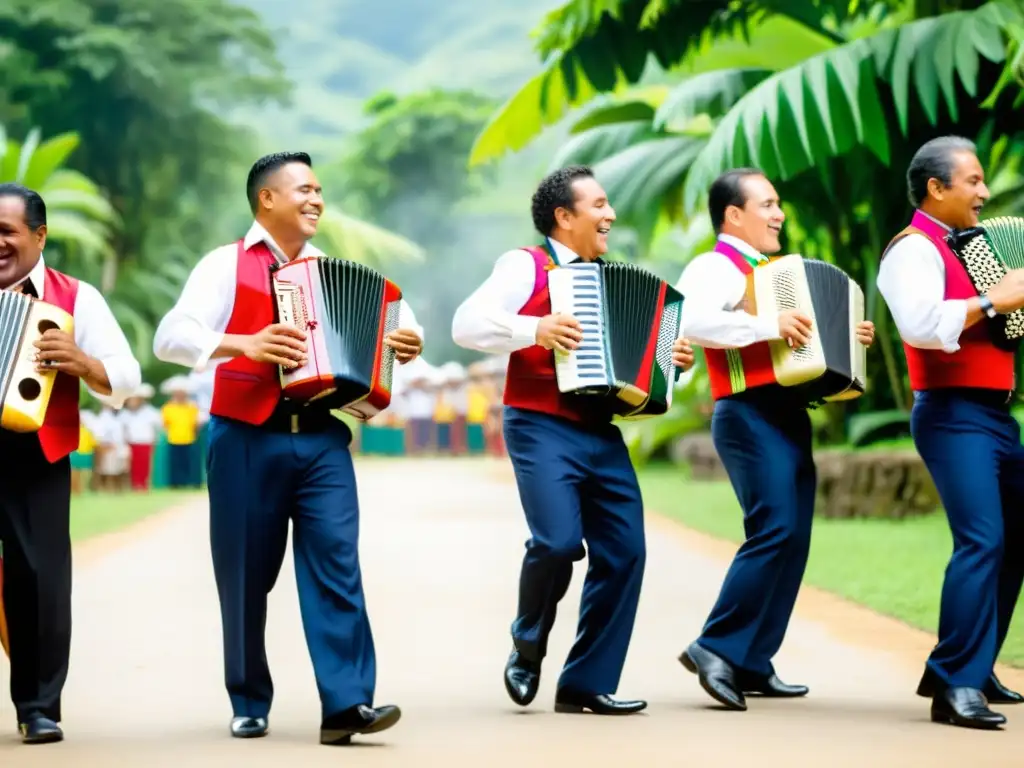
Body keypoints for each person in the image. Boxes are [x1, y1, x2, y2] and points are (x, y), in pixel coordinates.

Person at [153, 151, 423, 745]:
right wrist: (244, 343)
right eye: (304, 189)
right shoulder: (224, 264)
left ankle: (347, 704)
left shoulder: (332, 267)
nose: (317, 199)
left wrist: (406, 340)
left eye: (320, 190)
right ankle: (248, 698)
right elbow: (171, 336)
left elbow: (401, 326)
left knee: (337, 567)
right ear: (266, 199)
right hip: (246, 437)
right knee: (246, 576)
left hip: (323, 439)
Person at [451, 165, 695, 715]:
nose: (610, 215)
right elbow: (466, 325)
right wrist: (533, 329)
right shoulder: (525, 265)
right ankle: (528, 636)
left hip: (600, 431)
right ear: (564, 217)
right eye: (600, 205)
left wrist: (671, 362)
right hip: (538, 424)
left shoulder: (614, 278)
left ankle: (585, 683)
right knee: (559, 542)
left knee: (627, 551)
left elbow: (645, 381)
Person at [674, 168, 875, 713]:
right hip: (746, 413)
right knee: (774, 530)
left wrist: (847, 334)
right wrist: (771, 325)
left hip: (788, 412)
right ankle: (714, 647)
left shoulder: (777, 271)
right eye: (767, 204)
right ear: (733, 215)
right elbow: (692, 321)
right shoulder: (715, 265)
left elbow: (804, 344)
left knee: (795, 538)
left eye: (778, 203)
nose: (778, 213)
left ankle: (753, 661)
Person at [877, 135, 1024, 730]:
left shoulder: (971, 246)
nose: (985, 192)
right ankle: (954, 685)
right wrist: (993, 301)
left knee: (1015, 537)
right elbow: (919, 326)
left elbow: (1003, 328)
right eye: (973, 182)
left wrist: (1003, 305)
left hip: (996, 415)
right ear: (936, 189)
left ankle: (975, 664)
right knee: (982, 540)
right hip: (950, 412)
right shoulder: (911, 251)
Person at [0, 183, 140, 743]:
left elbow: (125, 377)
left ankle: (38, 706)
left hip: (38, 454)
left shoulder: (77, 298)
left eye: (6, 233)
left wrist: (82, 362)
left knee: (41, 582)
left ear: (39, 236)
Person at [119, 384, 161, 491]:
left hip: (145, 442)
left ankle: (143, 485)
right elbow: (122, 429)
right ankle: (134, 485)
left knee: (144, 465)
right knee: (132, 465)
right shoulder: (125, 413)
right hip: (131, 442)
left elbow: (157, 427)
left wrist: (155, 441)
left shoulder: (150, 412)